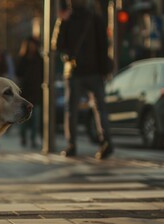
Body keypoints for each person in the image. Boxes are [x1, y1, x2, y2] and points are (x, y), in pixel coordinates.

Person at [56, 0, 113, 159]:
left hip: (74, 71)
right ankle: (105, 141)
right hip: (95, 71)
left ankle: (72, 145)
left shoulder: (67, 19)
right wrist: (103, 69)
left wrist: (62, 21)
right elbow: (103, 46)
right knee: (100, 107)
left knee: (71, 110)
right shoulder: (95, 18)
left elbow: (57, 45)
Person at [16, 36, 43, 148]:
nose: (32, 47)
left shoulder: (40, 60)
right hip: (24, 94)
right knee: (23, 119)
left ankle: (33, 139)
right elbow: (18, 74)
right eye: (30, 45)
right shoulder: (22, 59)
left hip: (36, 93)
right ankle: (23, 137)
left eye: (34, 45)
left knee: (36, 120)